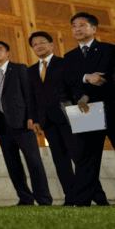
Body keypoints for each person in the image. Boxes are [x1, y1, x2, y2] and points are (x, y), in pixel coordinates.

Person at [0, 40, 51, 206]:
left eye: (0, 49)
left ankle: (44, 199)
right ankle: (25, 198)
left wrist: (32, 117)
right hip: (1, 125)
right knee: (12, 164)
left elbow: (29, 93)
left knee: (34, 162)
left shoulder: (20, 68)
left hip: (22, 122)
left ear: (8, 52)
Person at [63, 12, 115, 207]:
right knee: (86, 158)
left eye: (82, 25)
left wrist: (83, 80)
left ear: (93, 29)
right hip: (85, 111)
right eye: (74, 26)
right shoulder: (69, 56)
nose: (77, 29)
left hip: (110, 106)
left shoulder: (109, 49)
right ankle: (82, 202)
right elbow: (69, 80)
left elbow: (104, 75)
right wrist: (86, 77)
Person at [26, 31, 79, 205]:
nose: (39, 46)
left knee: (80, 159)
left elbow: (75, 90)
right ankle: (71, 198)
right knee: (61, 163)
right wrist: (35, 120)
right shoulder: (31, 71)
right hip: (47, 122)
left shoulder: (66, 63)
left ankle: (97, 197)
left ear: (51, 45)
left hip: (70, 118)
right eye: (35, 44)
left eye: (42, 42)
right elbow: (32, 98)